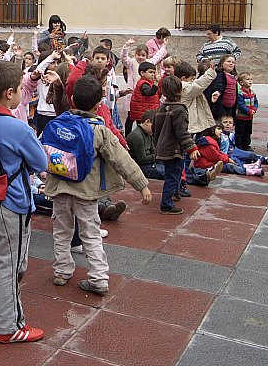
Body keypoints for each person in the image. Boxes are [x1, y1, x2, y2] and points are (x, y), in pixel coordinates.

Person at [45, 74, 152, 294]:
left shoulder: (57, 123)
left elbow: (40, 149)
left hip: (59, 189)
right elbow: (120, 158)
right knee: (90, 234)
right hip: (86, 192)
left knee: (62, 232)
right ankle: (98, 278)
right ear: (98, 104)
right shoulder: (98, 130)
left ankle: (62, 271)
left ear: (72, 98)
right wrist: (141, 183)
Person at [0, 60, 48, 343]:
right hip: (10, 202)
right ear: (10, 93)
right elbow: (41, 162)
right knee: (10, 264)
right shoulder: (17, 128)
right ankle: (9, 326)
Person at [153, 75, 200, 215]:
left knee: (176, 172)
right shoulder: (179, 110)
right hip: (174, 149)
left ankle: (175, 191)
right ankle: (166, 204)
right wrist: (192, 147)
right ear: (180, 90)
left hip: (163, 147)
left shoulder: (160, 109)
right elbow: (182, 132)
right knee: (172, 175)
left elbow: (155, 129)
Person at [120, 38, 167, 136]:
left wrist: (164, 47)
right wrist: (127, 45)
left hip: (144, 98)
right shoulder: (131, 62)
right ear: (135, 54)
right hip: (133, 95)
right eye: (139, 55)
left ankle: (141, 135)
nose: (140, 57)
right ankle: (128, 136)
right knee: (130, 118)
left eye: (143, 55)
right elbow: (123, 57)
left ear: (147, 55)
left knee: (141, 118)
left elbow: (158, 56)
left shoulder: (149, 63)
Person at [126, 109, 165, 180]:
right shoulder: (137, 136)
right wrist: (157, 155)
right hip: (140, 167)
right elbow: (142, 159)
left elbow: (153, 150)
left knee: (171, 168)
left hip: (148, 163)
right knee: (168, 173)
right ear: (147, 122)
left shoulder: (148, 133)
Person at [204, 54, 237, 120]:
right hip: (221, 106)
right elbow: (219, 84)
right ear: (222, 63)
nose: (231, 64)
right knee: (220, 124)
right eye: (228, 61)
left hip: (230, 106)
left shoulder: (233, 76)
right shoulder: (220, 74)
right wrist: (217, 91)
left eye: (233, 62)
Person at [128, 62, 160, 126]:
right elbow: (150, 93)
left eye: (154, 72)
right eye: (150, 72)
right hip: (143, 112)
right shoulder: (144, 84)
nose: (153, 74)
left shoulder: (149, 82)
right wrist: (156, 82)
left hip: (145, 110)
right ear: (142, 73)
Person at [235, 71, 258, 151]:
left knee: (248, 132)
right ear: (241, 82)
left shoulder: (252, 92)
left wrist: (254, 109)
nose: (250, 81)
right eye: (248, 79)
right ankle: (239, 146)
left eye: (251, 79)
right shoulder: (240, 93)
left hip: (249, 117)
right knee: (240, 132)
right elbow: (240, 104)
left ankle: (246, 145)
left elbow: (256, 102)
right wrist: (248, 111)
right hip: (241, 117)